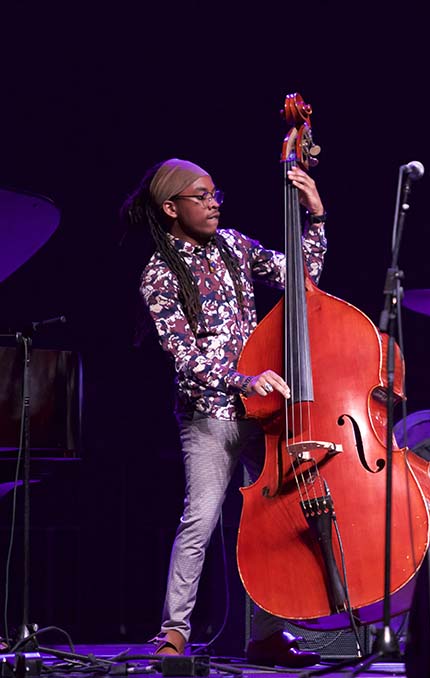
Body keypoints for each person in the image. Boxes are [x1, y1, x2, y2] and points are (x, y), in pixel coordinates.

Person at [121, 157, 327, 668]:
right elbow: (186, 357)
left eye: (216, 194)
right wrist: (245, 378)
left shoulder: (234, 245)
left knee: (270, 525)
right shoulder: (159, 273)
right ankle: (173, 632)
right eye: (201, 196)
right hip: (208, 417)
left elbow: (301, 280)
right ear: (171, 207)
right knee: (202, 518)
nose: (214, 203)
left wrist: (315, 215)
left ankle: (265, 635)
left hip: (260, 415)